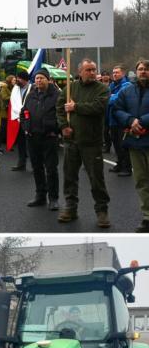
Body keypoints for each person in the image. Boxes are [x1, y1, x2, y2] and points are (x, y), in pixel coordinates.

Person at [57, 58, 111, 228]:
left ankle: (102, 211)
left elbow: (98, 107)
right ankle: (70, 208)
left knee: (96, 179)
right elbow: (59, 108)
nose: (92, 73)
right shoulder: (70, 88)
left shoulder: (102, 89)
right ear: (80, 71)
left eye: (94, 69)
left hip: (92, 142)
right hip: (71, 141)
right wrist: (64, 126)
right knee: (70, 177)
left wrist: (76, 107)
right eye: (88, 70)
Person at [112, 58, 149, 232]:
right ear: (136, 71)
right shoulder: (127, 91)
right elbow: (117, 109)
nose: (143, 72)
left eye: (147, 69)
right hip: (135, 142)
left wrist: (140, 121)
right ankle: (147, 216)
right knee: (141, 181)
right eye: (141, 69)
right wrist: (130, 120)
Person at [21, 68, 61, 210]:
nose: (38, 80)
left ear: (48, 80)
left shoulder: (57, 95)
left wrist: (55, 130)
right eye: (37, 78)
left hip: (49, 138)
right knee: (37, 168)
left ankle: (53, 198)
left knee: (51, 169)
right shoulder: (31, 95)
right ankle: (40, 196)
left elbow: (61, 115)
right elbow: (23, 112)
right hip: (33, 138)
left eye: (41, 78)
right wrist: (26, 128)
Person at [109, 65, 133, 177]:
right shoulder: (113, 85)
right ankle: (119, 164)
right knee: (116, 144)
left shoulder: (126, 85)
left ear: (123, 73)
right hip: (112, 120)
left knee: (123, 145)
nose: (114, 74)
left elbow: (113, 100)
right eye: (113, 72)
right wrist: (110, 96)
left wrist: (110, 97)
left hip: (121, 121)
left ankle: (126, 167)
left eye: (117, 72)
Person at [10, 71, 31, 171]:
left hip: (29, 120)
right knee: (21, 143)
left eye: (18, 78)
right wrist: (20, 113)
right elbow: (13, 102)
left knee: (31, 145)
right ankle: (21, 163)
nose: (16, 80)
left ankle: (35, 166)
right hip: (18, 120)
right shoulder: (15, 89)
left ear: (24, 79)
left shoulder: (32, 88)